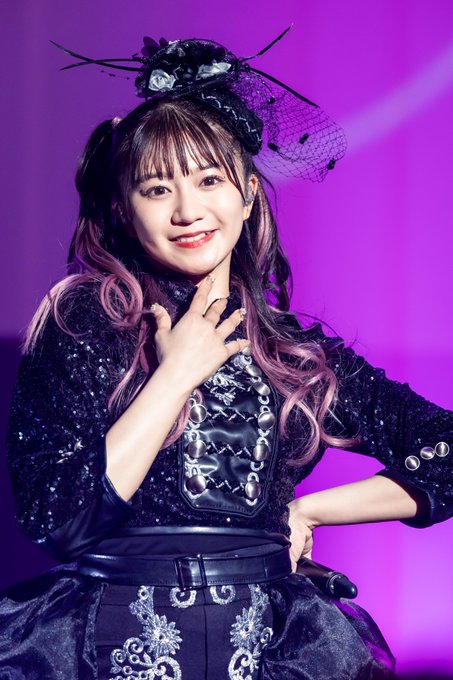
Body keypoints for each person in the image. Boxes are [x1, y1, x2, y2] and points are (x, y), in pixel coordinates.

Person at [0, 29, 452, 680]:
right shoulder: (87, 319)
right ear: (123, 209)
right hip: (108, 647)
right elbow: (58, 518)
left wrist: (307, 511)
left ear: (247, 194)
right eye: (157, 188)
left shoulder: (291, 350)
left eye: (209, 179)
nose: (188, 210)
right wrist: (176, 374)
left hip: (269, 647)